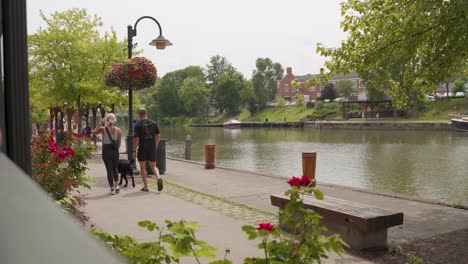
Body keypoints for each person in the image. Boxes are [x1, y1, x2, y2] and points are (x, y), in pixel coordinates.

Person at [133, 109, 163, 192]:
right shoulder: (153, 123)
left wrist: (134, 150)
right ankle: (158, 178)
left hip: (142, 148)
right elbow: (158, 135)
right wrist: (155, 145)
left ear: (139, 114)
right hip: (151, 148)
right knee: (153, 166)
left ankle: (146, 187)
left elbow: (136, 139)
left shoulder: (138, 125)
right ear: (146, 113)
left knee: (142, 168)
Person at [93, 113, 122, 195]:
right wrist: (116, 150)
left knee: (109, 169)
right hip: (115, 150)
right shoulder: (118, 130)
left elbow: (94, 133)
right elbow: (119, 143)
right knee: (115, 168)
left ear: (106, 120)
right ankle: (117, 185)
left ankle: (112, 189)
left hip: (106, 150)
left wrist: (99, 124)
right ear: (115, 120)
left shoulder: (103, 129)